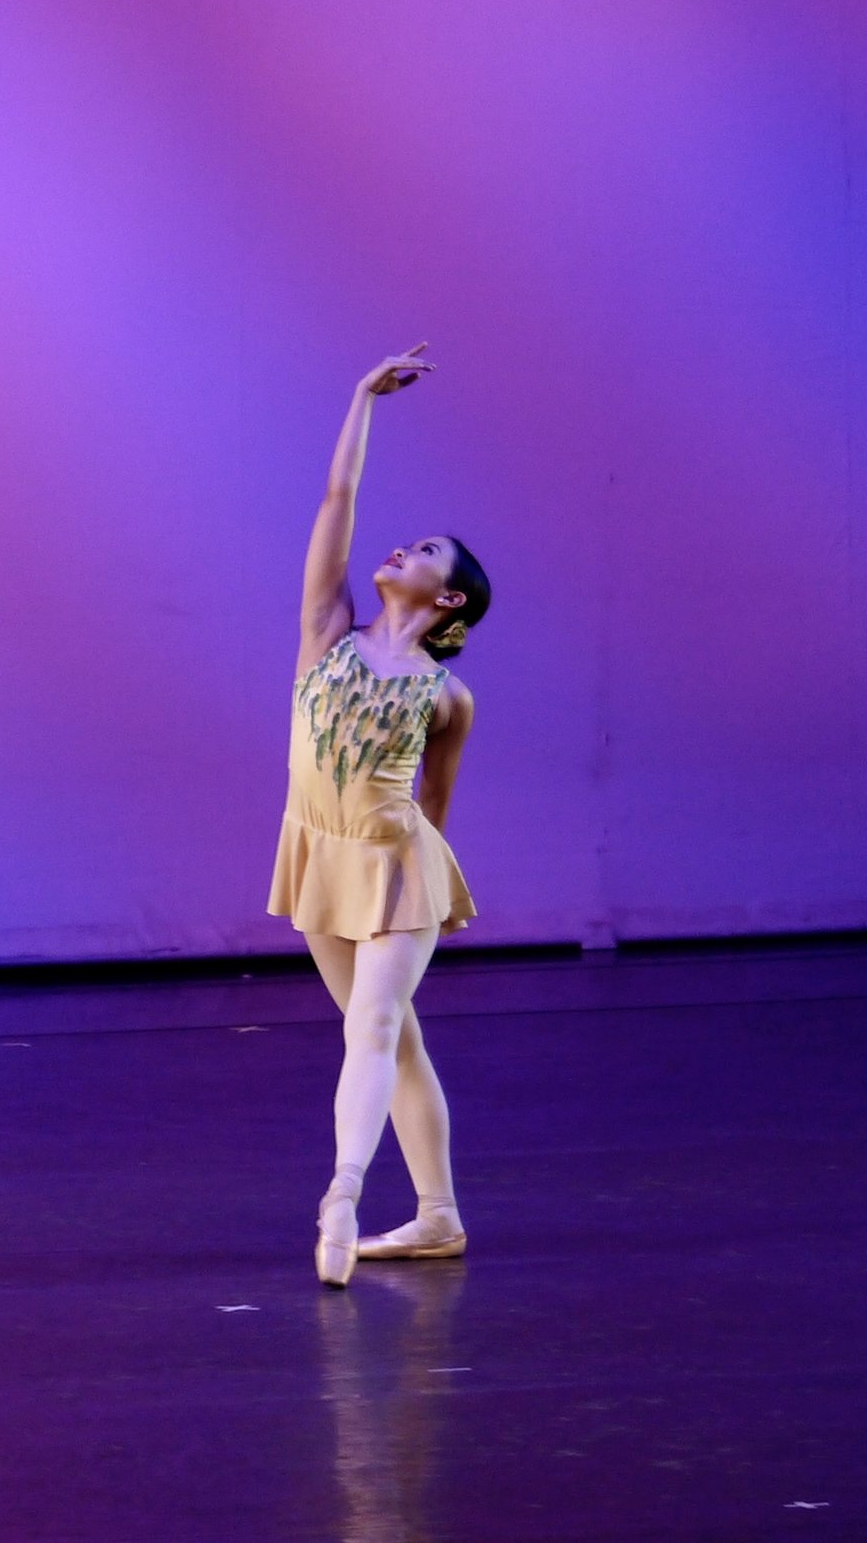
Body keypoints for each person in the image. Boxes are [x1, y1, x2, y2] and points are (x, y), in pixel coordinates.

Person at [267, 341, 493, 1286]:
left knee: (372, 1030)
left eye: (426, 553)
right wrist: (362, 397)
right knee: (394, 1037)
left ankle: (343, 1196)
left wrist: (424, 896)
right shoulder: (329, 631)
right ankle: (437, 1215)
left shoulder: (447, 696)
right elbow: (336, 506)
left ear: (445, 599)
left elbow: (433, 807)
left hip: (399, 869)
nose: (401, 547)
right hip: (322, 855)